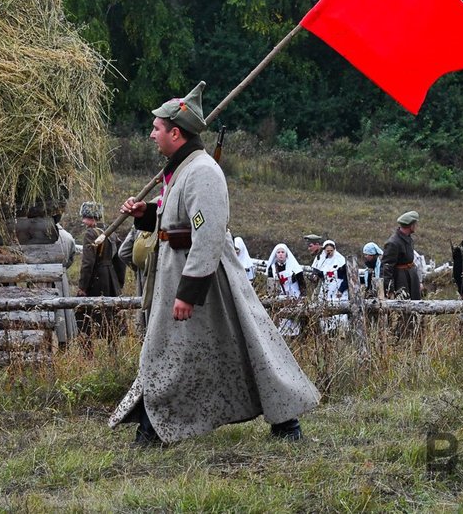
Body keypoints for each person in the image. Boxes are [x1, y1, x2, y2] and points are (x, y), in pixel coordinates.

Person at [108, 82, 320, 446]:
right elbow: (176, 216)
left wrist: (188, 293)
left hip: (207, 281)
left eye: (156, 128)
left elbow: (206, 234)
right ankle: (156, 425)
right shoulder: (182, 169)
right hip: (180, 273)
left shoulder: (203, 171)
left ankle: (284, 420)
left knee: (245, 344)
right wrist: (147, 214)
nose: (151, 134)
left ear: (176, 132)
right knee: (184, 350)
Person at [76, 202, 127, 340]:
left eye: (84, 217)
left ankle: (88, 357)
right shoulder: (112, 233)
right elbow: (120, 261)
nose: (83, 220)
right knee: (112, 317)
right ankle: (113, 353)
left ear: (89, 216)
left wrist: (82, 287)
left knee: (86, 319)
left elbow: (88, 263)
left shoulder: (90, 233)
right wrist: (118, 283)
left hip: (96, 280)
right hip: (111, 279)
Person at [266, 243, 306, 336]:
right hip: (280, 297)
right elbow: (270, 286)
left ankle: (295, 337)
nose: (280, 254)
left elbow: (302, 283)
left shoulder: (294, 266)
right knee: (282, 321)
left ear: (286, 254)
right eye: (278, 252)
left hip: (295, 296)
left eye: (282, 252)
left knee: (294, 320)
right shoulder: (272, 269)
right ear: (275, 254)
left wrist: (303, 296)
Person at [381, 211, 422, 299]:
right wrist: (390, 290)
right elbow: (387, 268)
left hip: (411, 277)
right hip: (401, 280)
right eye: (415, 224)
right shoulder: (393, 243)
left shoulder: (408, 238)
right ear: (411, 226)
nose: (416, 226)